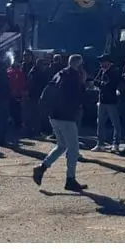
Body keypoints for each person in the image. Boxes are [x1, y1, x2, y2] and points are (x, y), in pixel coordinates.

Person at [33, 54, 87, 192]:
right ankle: (70, 179)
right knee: (73, 149)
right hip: (66, 116)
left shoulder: (60, 73)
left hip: (54, 115)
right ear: (79, 65)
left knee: (62, 146)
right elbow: (76, 97)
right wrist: (83, 83)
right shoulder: (74, 77)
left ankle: (42, 167)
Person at [92, 54, 122, 152]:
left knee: (115, 123)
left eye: (102, 61)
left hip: (111, 101)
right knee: (100, 123)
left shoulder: (114, 71)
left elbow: (109, 85)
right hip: (102, 100)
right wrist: (100, 83)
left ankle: (116, 144)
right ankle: (100, 144)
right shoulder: (102, 71)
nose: (100, 63)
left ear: (108, 61)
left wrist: (99, 83)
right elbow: (96, 81)